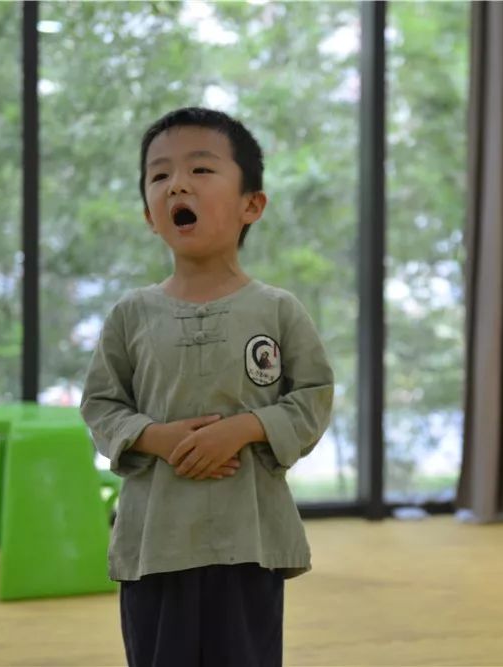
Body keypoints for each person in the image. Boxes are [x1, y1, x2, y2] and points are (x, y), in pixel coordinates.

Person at [81, 107, 334, 667]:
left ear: (252, 204)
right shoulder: (131, 313)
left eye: (200, 169)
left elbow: (313, 395)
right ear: (149, 214)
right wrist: (155, 438)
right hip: (154, 542)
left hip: (249, 541)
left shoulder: (277, 309)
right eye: (159, 175)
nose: (177, 184)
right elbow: (100, 403)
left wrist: (245, 429)